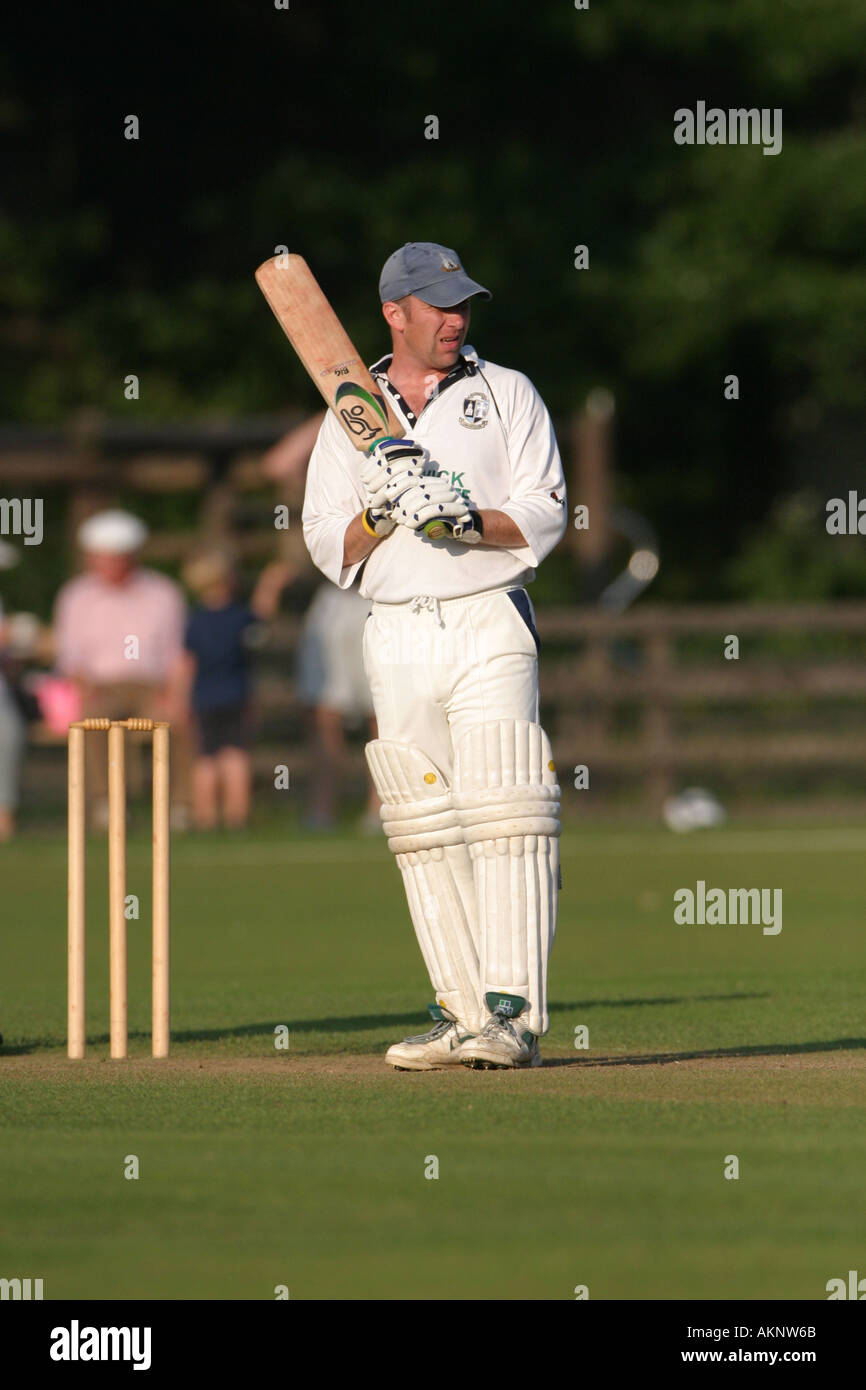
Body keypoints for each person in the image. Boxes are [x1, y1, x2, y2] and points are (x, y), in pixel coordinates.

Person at [302, 242, 567, 1070]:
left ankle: (512, 1014)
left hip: (489, 615)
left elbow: (545, 511)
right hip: (396, 627)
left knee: (506, 804)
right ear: (395, 312)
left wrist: (459, 521)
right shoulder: (349, 414)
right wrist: (383, 511)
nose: (455, 321)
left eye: (462, 306)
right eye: (438, 306)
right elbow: (323, 541)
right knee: (424, 820)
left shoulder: (507, 392)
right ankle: (460, 1011)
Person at [53, 509, 191, 828]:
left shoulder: (163, 593)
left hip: (152, 686)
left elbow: (177, 652)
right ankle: (106, 803)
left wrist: (175, 693)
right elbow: (70, 657)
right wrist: (85, 685)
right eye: (103, 558)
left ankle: (180, 806)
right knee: (93, 720)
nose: (111, 565)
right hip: (99, 686)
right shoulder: (76, 597)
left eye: (118, 557)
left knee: (177, 721)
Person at [180, 549, 293, 830]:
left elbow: (186, 664)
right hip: (235, 695)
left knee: (205, 758)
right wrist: (271, 583)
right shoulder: (237, 616)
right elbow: (263, 614)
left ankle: (204, 817)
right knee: (235, 755)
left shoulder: (195, 620)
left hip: (203, 697)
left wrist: (182, 700)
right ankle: (236, 816)